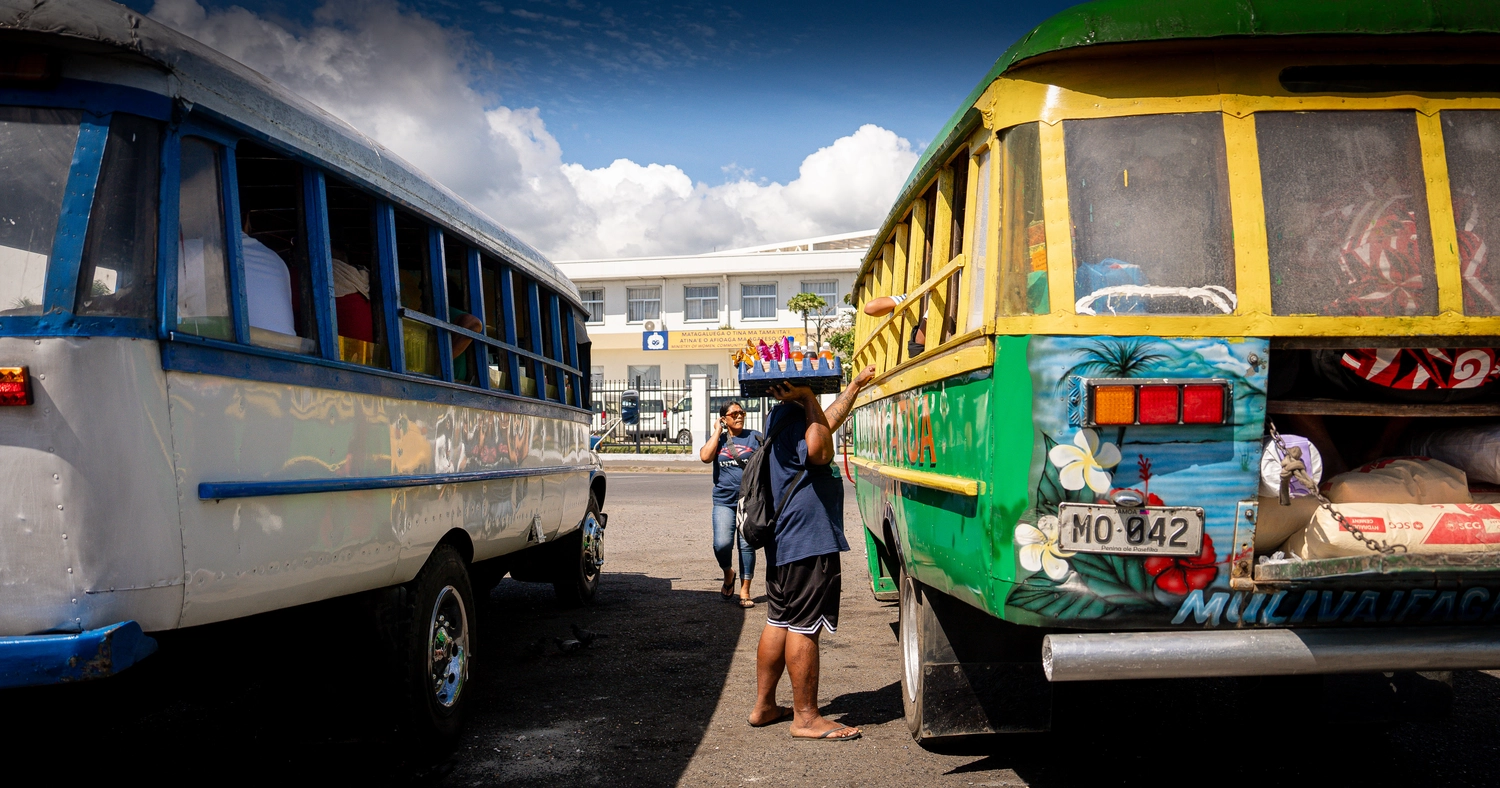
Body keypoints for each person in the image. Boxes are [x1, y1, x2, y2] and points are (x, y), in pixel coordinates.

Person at [747, 364, 876, 740]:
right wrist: (807, 396)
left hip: (784, 544)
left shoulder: (780, 417)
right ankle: (806, 718)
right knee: (804, 626)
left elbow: (825, 424)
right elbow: (820, 449)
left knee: (779, 620)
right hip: (808, 541)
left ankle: (764, 707)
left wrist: (852, 388)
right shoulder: (799, 413)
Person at [697, 400, 763, 608]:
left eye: (741, 412)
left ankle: (745, 590)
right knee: (721, 544)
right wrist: (717, 431)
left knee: (746, 545)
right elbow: (705, 457)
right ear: (724, 419)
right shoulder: (720, 440)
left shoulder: (755, 437)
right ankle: (728, 572)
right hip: (723, 500)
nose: (739, 416)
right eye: (733, 414)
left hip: (748, 501)